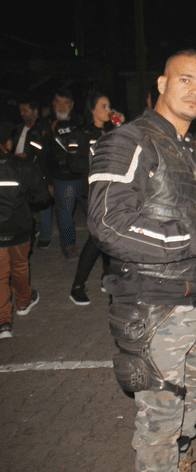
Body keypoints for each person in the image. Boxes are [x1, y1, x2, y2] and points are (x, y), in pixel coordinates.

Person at [88, 49, 196, 472]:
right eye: (185, 79)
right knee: (160, 420)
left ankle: (179, 459)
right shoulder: (129, 140)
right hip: (156, 305)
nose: (195, 90)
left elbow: (195, 216)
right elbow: (107, 223)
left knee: (192, 398)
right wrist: (191, 243)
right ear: (162, 84)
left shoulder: (192, 149)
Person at [69, 91, 124, 305]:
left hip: (112, 190)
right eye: (103, 106)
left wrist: (120, 124)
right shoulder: (82, 133)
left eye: (109, 105)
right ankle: (77, 286)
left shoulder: (111, 130)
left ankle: (106, 276)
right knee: (97, 237)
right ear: (92, 109)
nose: (108, 110)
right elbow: (74, 163)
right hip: (94, 192)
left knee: (108, 235)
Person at [0, 122, 50, 339]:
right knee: (20, 266)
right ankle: (23, 302)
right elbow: (42, 197)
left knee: (0, 276)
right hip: (19, 227)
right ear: (8, 144)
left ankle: (4, 323)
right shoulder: (23, 166)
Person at [44, 88, 87, 259]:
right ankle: (69, 246)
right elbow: (44, 155)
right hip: (62, 178)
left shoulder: (82, 122)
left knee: (95, 212)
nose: (62, 106)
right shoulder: (47, 125)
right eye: (58, 102)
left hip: (84, 175)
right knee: (65, 215)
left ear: (72, 105)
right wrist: (48, 181)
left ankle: (102, 244)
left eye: (66, 102)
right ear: (53, 104)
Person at [15, 97, 53, 248]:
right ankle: (32, 229)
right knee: (23, 203)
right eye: (20, 110)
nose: (22, 113)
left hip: (36, 170)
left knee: (43, 202)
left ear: (35, 111)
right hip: (18, 169)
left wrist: (27, 156)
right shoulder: (19, 128)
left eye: (25, 110)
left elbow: (42, 150)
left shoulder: (41, 127)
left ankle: (45, 235)